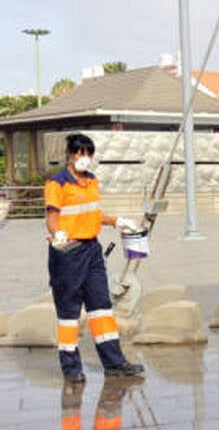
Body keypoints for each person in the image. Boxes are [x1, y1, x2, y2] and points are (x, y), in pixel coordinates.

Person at [45, 133, 145, 383]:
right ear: (69, 154)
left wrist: (116, 221)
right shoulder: (57, 183)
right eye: (79, 153)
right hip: (68, 252)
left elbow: (92, 214)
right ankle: (71, 368)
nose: (84, 158)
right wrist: (57, 232)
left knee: (102, 309)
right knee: (69, 314)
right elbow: (52, 216)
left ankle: (115, 363)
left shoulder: (92, 181)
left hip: (92, 251)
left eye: (88, 154)